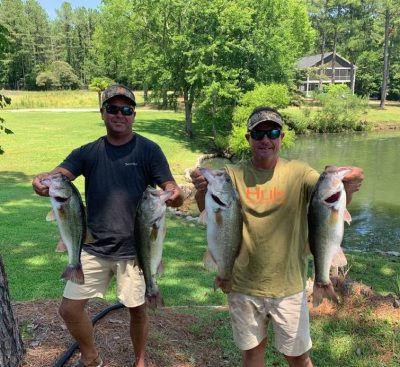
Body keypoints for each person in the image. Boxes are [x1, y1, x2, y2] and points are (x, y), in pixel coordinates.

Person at [190, 106, 364, 367]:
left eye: (272, 133)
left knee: (298, 357)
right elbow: (208, 210)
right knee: (252, 354)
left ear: (282, 137)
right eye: (258, 134)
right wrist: (201, 189)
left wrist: (348, 183)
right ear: (248, 139)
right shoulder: (233, 176)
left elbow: (327, 199)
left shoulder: (300, 172)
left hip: (289, 286)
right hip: (243, 285)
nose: (265, 140)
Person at [32, 85, 183, 367]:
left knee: (137, 309)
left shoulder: (149, 150)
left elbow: (170, 186)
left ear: (133, 115)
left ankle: (140, 361)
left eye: (126, 110)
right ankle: (91, 357)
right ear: (102, 113)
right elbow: (60, 175)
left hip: (135, 250)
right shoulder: (88, 152)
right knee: (70, 309)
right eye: (112, 109)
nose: (119, 115)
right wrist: (43, 180)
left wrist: (174, 193)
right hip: (92, 246)